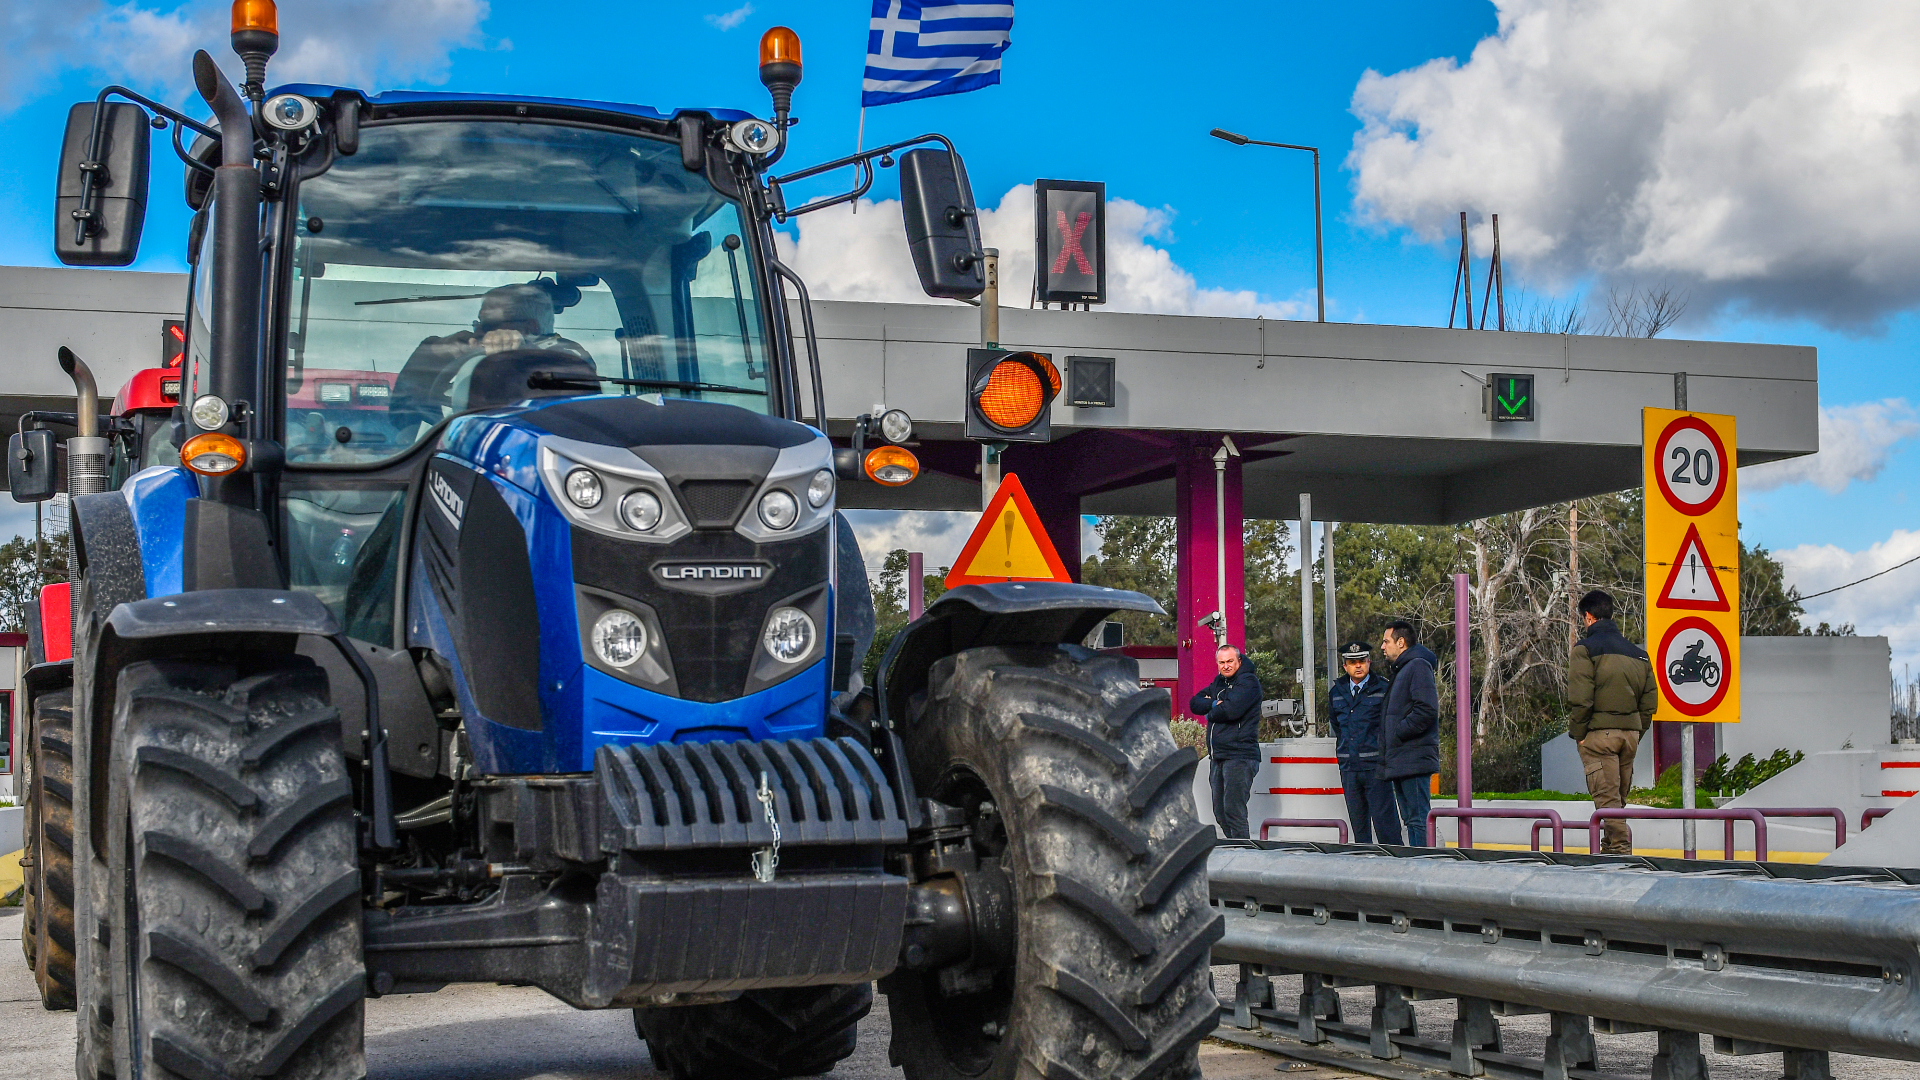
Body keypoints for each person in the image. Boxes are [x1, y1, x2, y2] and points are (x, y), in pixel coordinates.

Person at [391, 282, 595, 429]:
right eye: (477, 324)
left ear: (529, 327)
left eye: (489, 325)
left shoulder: (568, 355)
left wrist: (521, 350)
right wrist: (435, 354)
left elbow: (567, 421)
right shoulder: (470, 353)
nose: (478, 332)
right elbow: (401, 418)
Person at [1567, 589, 1659, 855]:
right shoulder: (1639, 654)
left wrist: (1579, 734)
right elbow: (1649, 702)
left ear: (1588, 617)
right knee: (1618, 799)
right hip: (1630, 735)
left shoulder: (1585, 650)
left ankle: (1619, 852)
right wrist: (1635, 731)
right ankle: (1610, 847)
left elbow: (1581, 698)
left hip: (1599, 735)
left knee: (1607, 800)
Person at [1328, 641, 1401, 845]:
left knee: (1385, 823)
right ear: (1345, 666)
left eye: (1361, 661)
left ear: (1369, 662)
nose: (1358, 666)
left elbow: (1389, 724)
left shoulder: (1383, 687)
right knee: (1358, 825)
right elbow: (1337, 725)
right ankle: (1363, 862)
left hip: (1375, 766)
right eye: (1352, 662)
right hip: (1349, 766)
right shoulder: (1337, 692)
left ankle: (1394, 862)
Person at [1191, 644, 1264, 840]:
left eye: (1230, 661)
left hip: (1240, 755)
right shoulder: (1218, 683)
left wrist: (1211, 711)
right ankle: (1235, 846)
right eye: (1222, 662)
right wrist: (1215, 703)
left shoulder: (1248, 683)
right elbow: (1195, 703)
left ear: (1239, 661)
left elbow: (1231, 711)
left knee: (1234, 810)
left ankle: (1244, 852)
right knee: (1220, 811)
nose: (1226, 666)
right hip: (1218, 757)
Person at [1379, 621, 1440, 846]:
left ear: (1401, 642)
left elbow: (1426, 709)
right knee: (1411, 820)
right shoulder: (1404, 669)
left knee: (1417, 819)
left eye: (1386, 641)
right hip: (1403, 758)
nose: (1382, 647)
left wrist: (1398, 732)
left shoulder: (1417, 666)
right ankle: (1417, 866)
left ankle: (1422, 867)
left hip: (1412, 759)